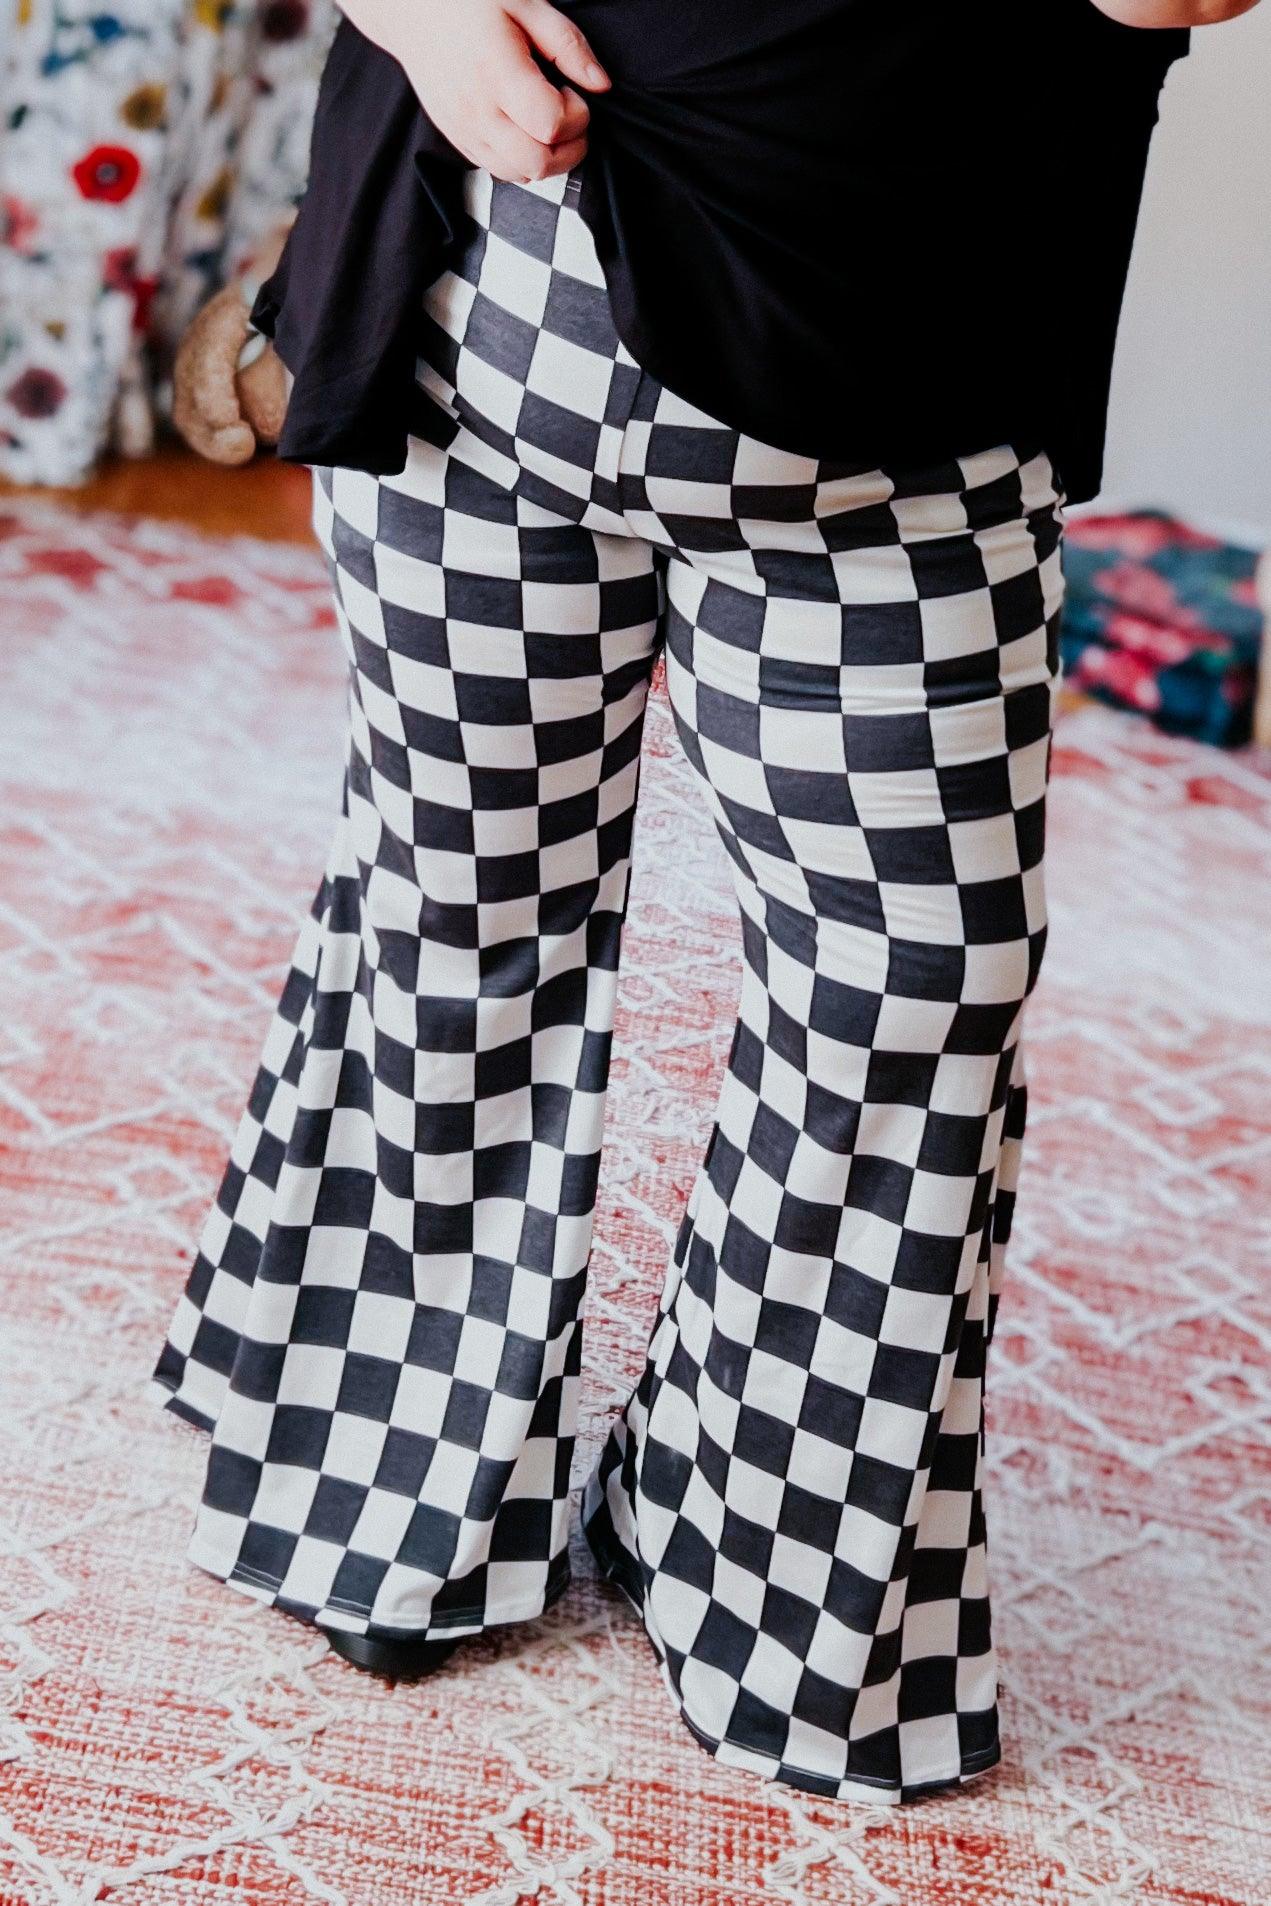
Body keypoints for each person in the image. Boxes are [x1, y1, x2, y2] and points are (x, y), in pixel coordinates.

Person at [156, 0, 1256, 1807]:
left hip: (904, 373)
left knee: (915, 975)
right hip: (473, 299)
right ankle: (384, 1458)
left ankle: (774, 1562)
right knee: (458, 897)